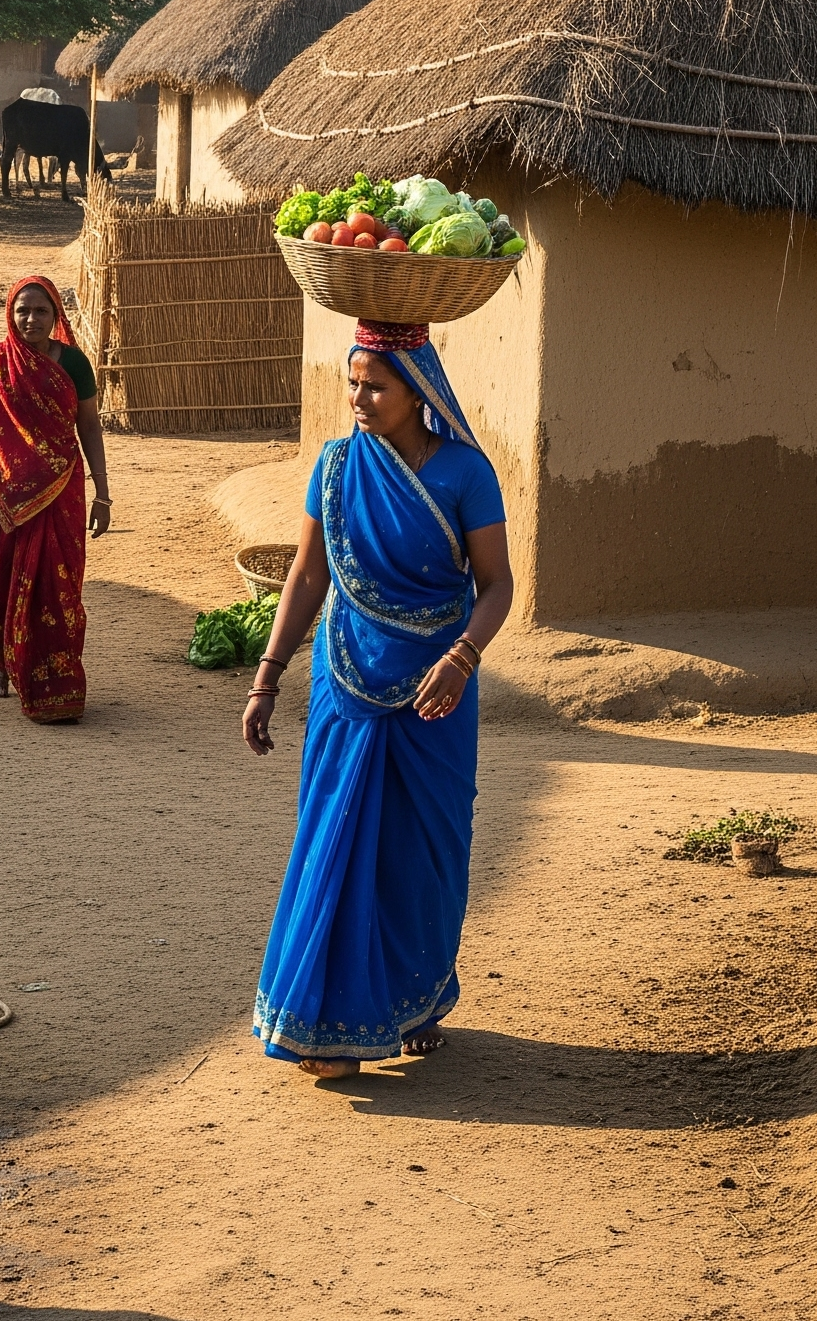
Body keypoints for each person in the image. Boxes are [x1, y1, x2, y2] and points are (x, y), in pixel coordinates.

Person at [243, 320, 514, 1079]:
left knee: (423, 853)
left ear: (417, 388)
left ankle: (415, 999)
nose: (359, 398)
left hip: (437, 691)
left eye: (377, 385)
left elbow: (496, 585)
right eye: (353, 382)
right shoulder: (334, 467)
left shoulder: (465, 473)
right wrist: (267, 675)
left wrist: (462, 659)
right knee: (336, 838)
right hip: (345, 683)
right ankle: (329, 1026)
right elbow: (305, 579)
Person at [0, 276, 110, 724]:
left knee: (59, 588)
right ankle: (3, 664)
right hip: (2, 494)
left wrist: (104, 493)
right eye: (22, 310)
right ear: (9, 313)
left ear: (56, 316)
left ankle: (59, 682)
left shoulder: (74, 364)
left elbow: (90, 427)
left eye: (41, 311)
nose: (30, 319)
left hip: (61, 492)